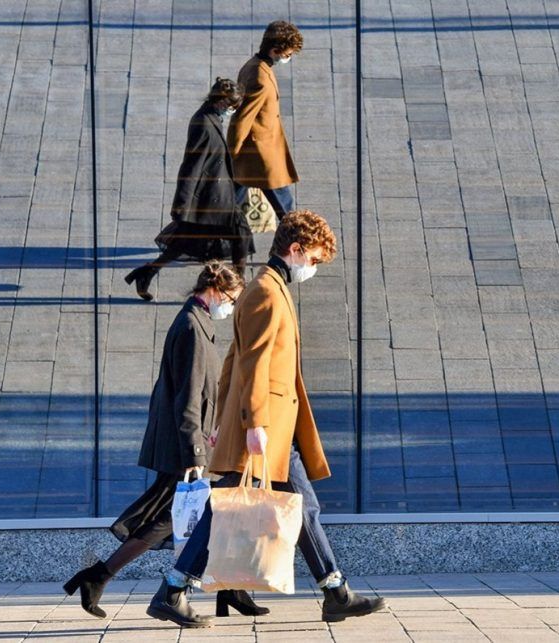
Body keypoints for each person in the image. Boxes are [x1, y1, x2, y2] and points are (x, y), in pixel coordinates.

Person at [146, 211, 388, 628]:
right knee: (245, 512)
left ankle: (334, 592)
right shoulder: (266, 292)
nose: (312, 268)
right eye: (312, 259)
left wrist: (226, 419)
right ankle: (174, 589)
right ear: (294, 250)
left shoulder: (268, 288)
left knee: (291, 508)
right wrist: (252, 423)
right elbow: (252, 362)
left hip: (271, 428)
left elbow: (231, 363)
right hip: (264, 429)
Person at [64, 261, 266, 621]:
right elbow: (187, 396)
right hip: (183, 445)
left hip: (190, 439)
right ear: (216, 290)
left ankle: (225, 588)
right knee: (170, 521)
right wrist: (196, 449)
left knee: (195, 516)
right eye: (232, 299)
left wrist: (208, 432)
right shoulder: (191, 326)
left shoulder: (196, 321)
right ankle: (110, 579)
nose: (231, 308)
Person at [125, 78, 254, 301]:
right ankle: (239, 287)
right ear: (222, 102)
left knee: (189, 241)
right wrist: (182, 203)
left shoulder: (211, 115)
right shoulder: (203, 124)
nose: (234, 111)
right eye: (233, 106)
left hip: (218, 194)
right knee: (238, 233)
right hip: (210, 198)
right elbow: (191, 166)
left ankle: (147, 273)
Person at [229, 21, 303, 220]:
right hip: (262, 153)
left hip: (255, 151)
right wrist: (231, 152)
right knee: (285, 207)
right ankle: (297, 240)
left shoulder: (254, 65)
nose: (288, 58)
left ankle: (215, 238)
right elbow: (243, 118)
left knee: (231, 202)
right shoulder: (260, 77)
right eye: (287, 54)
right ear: (275, 50)